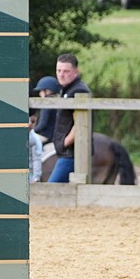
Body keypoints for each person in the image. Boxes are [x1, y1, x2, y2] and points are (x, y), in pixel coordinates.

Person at [48, 53, 91, 183]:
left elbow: (80, 124)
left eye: (66, 71)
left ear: (75, 72)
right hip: (66, 153)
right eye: (59, 70)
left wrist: (64, 142)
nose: (61, 74)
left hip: (71, 154)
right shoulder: (67, 90)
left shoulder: (78, 91)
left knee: (51, 189)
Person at [31, 75, 59, 145]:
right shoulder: (57, 102)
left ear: (47, 91)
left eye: (41, 91)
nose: (40, 93)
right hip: (53, 135)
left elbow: (42, 125)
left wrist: (32, 130)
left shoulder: (46, 105)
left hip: (44, 136)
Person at [28, 110, 43, 183]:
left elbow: (37, 159)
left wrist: (36, 178)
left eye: (33, 121)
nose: (30, 123)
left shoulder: (34, 139)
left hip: (29, 175)